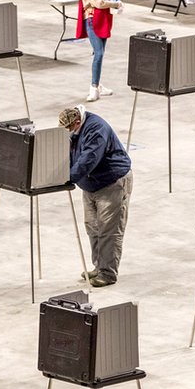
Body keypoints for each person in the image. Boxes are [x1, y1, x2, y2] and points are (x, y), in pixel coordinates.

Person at [59, 105, 133, 287]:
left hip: (111, 184)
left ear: (78, 121)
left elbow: (89, 158)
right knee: (92, 227)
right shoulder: (74, 129)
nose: (68, 132)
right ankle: (99, 266)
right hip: (90, 185)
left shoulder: (96, 128)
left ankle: (108, 273)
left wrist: (68, 179)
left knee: (109, 230)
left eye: (70, 128)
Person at [77, 0, 122, 102]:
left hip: (102, 18)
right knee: (99, 53)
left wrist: (113, 1)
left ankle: (98, 84)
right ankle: (93, 87)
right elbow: (96, 2)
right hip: (92, 18)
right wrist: (114, 4)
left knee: (100, 52)